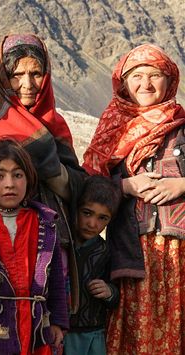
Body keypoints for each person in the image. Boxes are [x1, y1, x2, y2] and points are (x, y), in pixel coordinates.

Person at [82, 44, 185, 354]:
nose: (146, 84)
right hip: (130, 254)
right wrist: (126, 186)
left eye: (155, 75)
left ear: (171, 81)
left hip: (178, 257)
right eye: (137, 76)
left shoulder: (181, 127)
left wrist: (181, 185)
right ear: (122, 82)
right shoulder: (112, 129)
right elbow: (89, 185)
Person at [0, 33, 85, 313]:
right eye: (17, 74)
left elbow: (78, 185)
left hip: (52, 239)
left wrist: (51, 169)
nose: (27, 84)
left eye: (36, 73)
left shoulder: (54, 124)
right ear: (2, 76)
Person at [0, 139, 68, 355]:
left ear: (28, 179)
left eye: (18, 175)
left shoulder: (45, 224)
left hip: (37, 329)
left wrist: (59, 322)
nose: (10, 184)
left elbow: (56, 280)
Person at [63, 176, 121, 355]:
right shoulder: (62, 244)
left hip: (92, 334)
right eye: (87, 213)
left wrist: (109, 291)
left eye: (102, 218)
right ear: (76, 209)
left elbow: (117, 295)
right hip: (61, 332)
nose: (92, 224)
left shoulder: (106, 251)